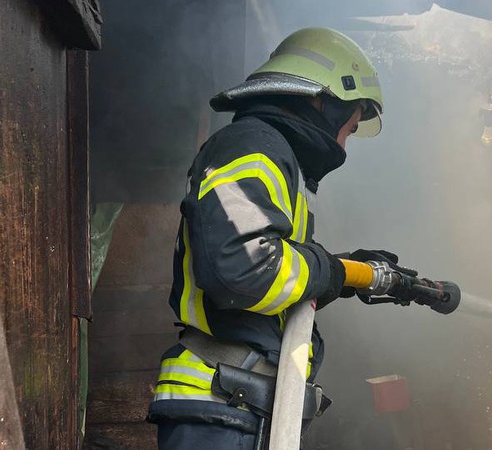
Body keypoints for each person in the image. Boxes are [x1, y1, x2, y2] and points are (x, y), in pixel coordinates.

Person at [146, 27, 398, 449]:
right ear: (323, 102)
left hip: (237, 405)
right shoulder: (253, 147)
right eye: (349, 129)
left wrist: (344, 270)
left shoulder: (272, 154)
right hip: (221, 408)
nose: (344, 145)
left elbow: (272, 261)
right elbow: (244, 270)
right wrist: (330, 269)